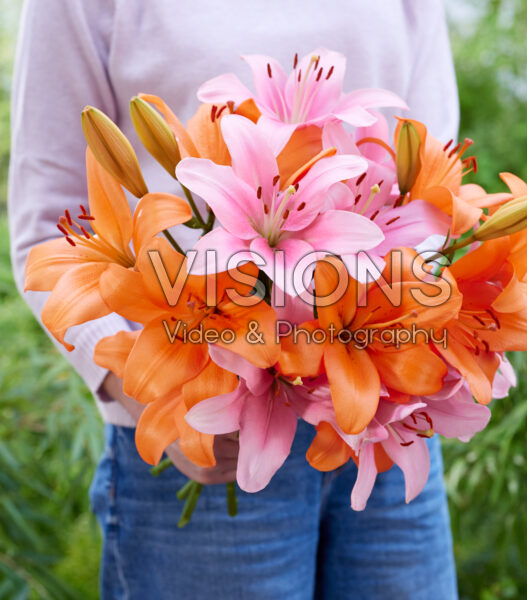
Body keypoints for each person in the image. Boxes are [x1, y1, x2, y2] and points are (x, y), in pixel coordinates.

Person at [8, 0, 460, 598]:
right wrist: (147, 395)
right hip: (200, 429)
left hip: (384, 430)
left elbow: (429, 206)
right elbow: (46, 225)